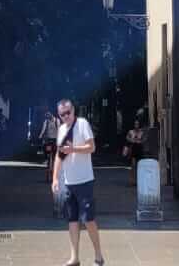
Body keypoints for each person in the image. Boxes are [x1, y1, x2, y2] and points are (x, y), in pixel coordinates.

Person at [52, 98, 105, 266]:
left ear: (73, 110)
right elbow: (59, 155)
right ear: (59, 115)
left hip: (84, 181)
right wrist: (54, 178)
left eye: (68, 112)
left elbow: (92, 147)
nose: (66, 116)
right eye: (62, 114)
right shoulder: (61, 130)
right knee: (72, 221)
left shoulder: (82, 124)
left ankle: (98, 256)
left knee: (88, 220)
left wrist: (73, 149)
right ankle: (74, 258)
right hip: (68, 182)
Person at [123, 112, 146, 187]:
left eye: (137, 124)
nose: (136, 125)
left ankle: (139, 180)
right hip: (133, 150)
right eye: (135, 124)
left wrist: (138, 141)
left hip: (139, 150)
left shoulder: (141, 132)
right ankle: (132, 181)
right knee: (133, 166)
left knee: (140, 166)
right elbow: (127, 139)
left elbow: (144, 140)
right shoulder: (131, 132)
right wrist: (133, 140)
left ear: (139, 125)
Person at [39, 106, 58, 180]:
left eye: (48, 114)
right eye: (46, 115)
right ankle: (46, 159)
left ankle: (54, 164)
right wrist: (40, 136)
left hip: (55, 140)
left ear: (51, 114)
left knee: (55, 154)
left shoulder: (57, 121)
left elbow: (59, 130)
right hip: (49, 140)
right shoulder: (46, 121)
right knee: (46, 149)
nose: (47, 116)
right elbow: (43, 130)